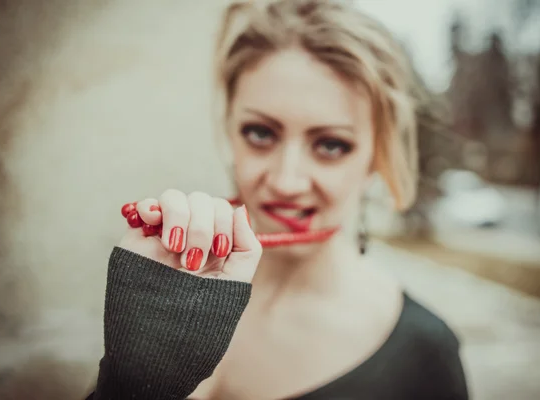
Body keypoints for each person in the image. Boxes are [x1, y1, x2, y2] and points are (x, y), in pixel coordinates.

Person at [87, 0, 469, 399]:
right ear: (230, 129)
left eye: (332, 145)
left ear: (378, 156)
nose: (286, 182)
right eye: (260, 133)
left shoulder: (425, 354)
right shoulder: (173, 296)